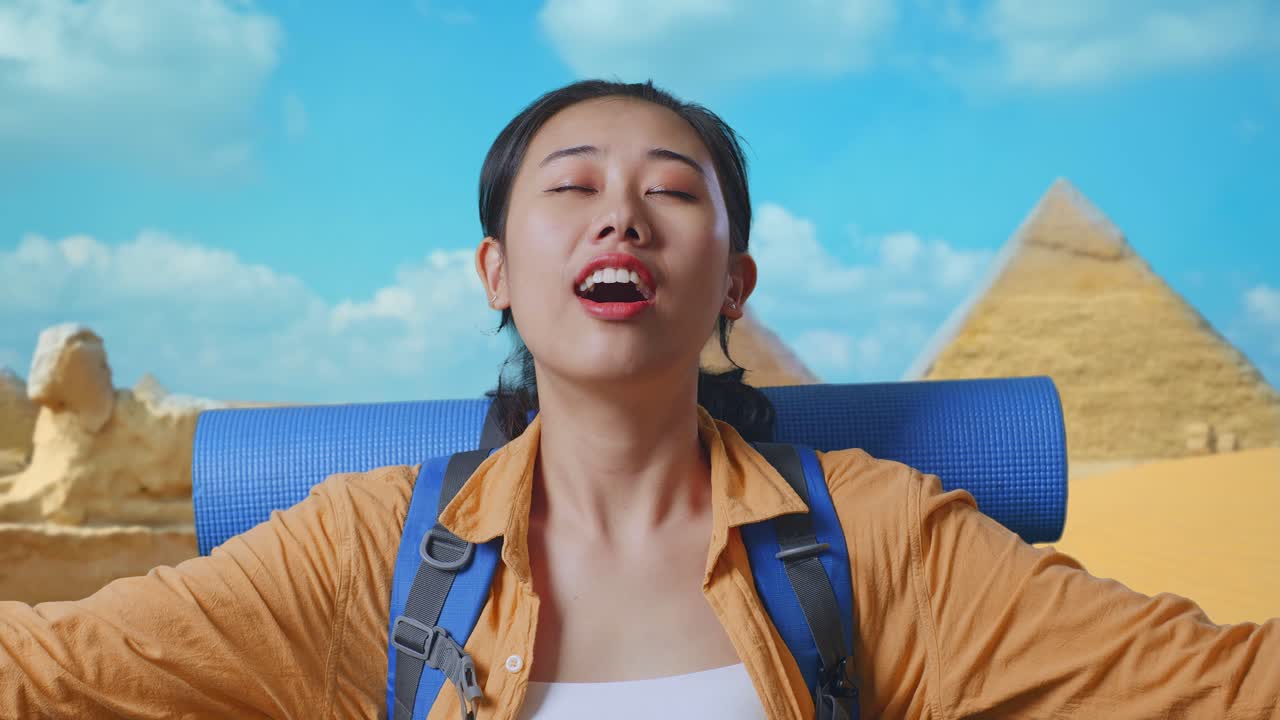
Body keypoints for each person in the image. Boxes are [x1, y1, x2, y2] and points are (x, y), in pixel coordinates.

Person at [1, 79, 1277, 720]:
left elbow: (1217, 687)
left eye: (671, 188)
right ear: (495, 273)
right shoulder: (365, 551)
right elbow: (54, 675)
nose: (621, 207)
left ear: (734, 280)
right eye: (571, 185)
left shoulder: (883, 544)